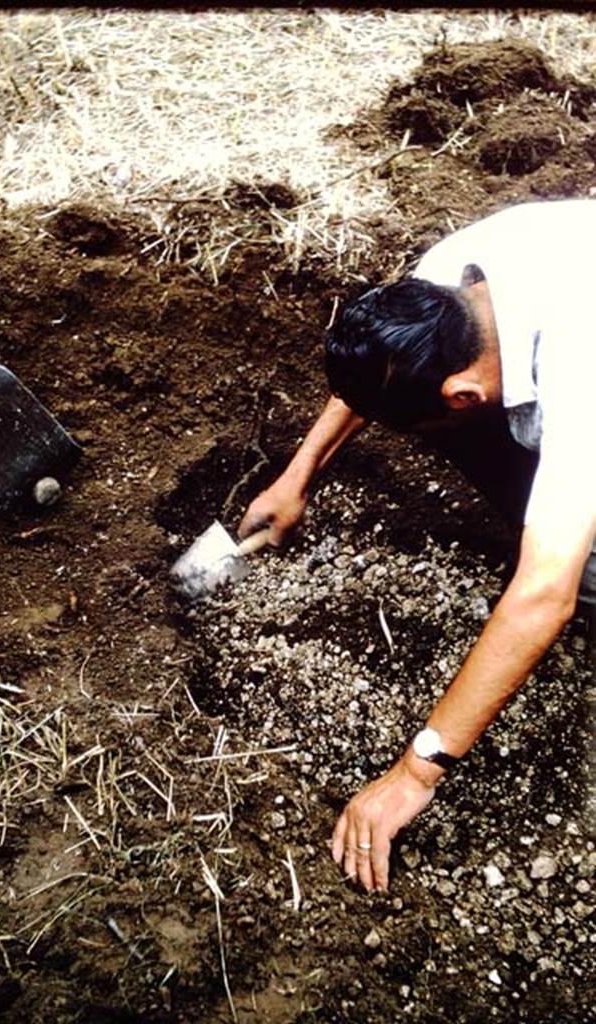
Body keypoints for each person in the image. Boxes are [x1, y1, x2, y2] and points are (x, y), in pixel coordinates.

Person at [238, 199, 596, 892]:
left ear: (461, 392)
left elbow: (540, 595)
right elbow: (382, 378)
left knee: (566, 563)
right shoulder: (447, 286)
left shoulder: (578, 378)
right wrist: (297, 475)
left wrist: (415, 770)